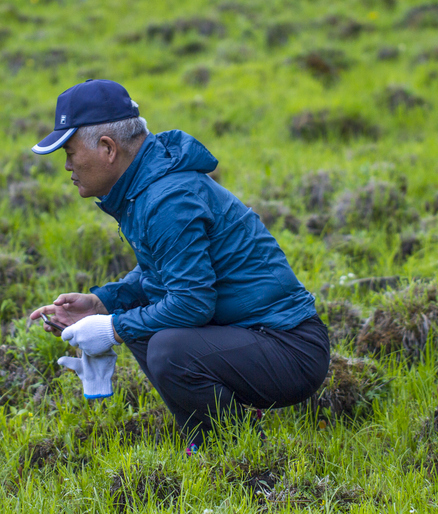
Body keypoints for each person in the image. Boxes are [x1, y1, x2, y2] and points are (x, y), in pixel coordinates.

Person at [28, 79, 330, 449]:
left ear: (107, 148)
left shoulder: (168, 198)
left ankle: (235, 449)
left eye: (70, 152)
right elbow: (161, 274)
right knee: (145, 323)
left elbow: (191, 303)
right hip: (256, 337)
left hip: (291, 349)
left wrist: (112, 328)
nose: (67, 166)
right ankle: (209, 437)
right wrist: (102, 303)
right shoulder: (148, 186)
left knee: (167, 348)